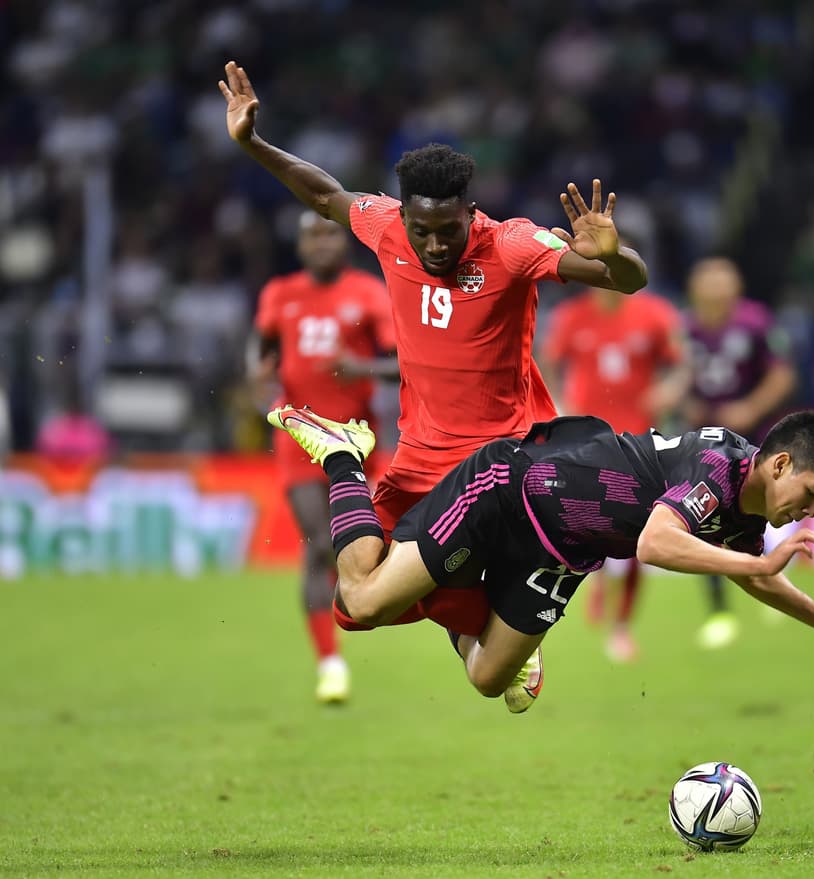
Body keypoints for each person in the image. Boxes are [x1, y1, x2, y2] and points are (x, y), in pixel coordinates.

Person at [219, 61, 648, 702]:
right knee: (354, 601)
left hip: (498, 468)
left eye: (448, 231)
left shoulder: (511, 246)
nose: (434, 244)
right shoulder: (387, 227)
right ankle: (478, 604)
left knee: (481, 672)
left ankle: (500, 612)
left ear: (470, 213)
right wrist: (252, 143)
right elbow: (322, 194)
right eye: (421, 230)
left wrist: (613, 254)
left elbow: (628, 281)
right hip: (420, 463)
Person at [266, 403, 814, 713]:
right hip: (507, 494)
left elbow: (752, 572)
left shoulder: (748, 507)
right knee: (362, 599)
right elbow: (655, 542)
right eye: (812, 494)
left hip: (563, 553)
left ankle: (449, 587)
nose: (810, 511)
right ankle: (345, 454)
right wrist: (758, 566)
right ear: (781, 463)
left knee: (489, 678)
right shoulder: (716, 466)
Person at [251, 210, 397, 704]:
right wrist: (259, 375)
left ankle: (359, 611)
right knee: (320, 547)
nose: (322, 243)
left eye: (330, 233)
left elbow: (403, 363)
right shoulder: (280, 294)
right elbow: (263, 351)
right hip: (298, 439)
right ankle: (330, 663)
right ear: (300, 245)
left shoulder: (368, 293)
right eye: (312, 235)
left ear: (345, 240)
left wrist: (363, 367)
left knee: (366, 549)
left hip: (357, 441)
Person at [540, 283, 685, 661]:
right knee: (590, 524)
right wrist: (559, 401)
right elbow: (548, 359)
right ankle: (599, 580)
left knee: (640, 534)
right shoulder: (572, 316)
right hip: (588, 440)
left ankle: (621, 626)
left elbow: (682, 362)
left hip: (639, 442)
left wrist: (669, 390)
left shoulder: (654, 314)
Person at [676, 257, 798, 649]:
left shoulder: (756, 322)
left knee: (771, 511)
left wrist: (751, 408)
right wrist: (685, 404)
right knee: (705, 523)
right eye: (707, 281)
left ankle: (778, 586)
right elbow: (670, 377)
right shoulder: (683, 328)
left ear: (736, 285)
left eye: (721, 281)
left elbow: (783, 374)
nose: (714, 289)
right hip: (705, 444)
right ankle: (719, 610)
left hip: (754, 438)